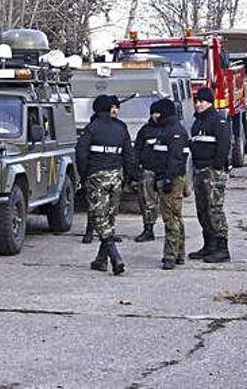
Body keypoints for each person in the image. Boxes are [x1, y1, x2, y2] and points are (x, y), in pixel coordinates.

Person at [76, 95, 137, 275]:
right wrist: (131, 177)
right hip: (116, 177)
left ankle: (115, 256)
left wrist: (85, 174)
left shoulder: (91, 128)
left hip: (96, 177)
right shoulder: (121, 128)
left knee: (98, 217)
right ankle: (101, 260)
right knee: (109, 217)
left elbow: (80, 153)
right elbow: (129, 156)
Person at [188, 87, 232, 263]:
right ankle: (209, 245)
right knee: (202, 210)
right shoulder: (198, 122)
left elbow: (224, 146)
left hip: (212, 172)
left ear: (210, 103)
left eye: (201, 102)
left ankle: (222, 248)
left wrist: (217, 167)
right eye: (196, 102)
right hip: (199, 171)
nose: (198, 105)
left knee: (214, 210)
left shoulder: (218, 121)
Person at [147, 99, 190, 270]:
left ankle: (170, 255)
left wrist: (168, 179)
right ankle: (179, 253)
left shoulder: (174, 131)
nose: (154, 116)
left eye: (156, 113)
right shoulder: (165, 130)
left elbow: (176, 158)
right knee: (175, 217)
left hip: (171, 180)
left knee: (171, 218)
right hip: (164, 177)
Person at [133, 101, 164, 242]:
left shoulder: (170, 129)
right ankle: (148, 229)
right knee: (146, 201)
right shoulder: (145, 130)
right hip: (148, 171)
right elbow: (137, 150)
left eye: (158, 112)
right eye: (153, 113)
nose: (156, 116)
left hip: (165, 172)